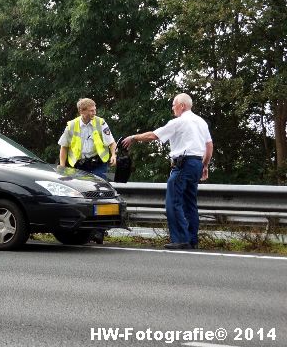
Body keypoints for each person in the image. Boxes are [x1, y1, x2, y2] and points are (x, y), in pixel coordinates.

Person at [121, 93, 213, 250]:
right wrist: (204, 166)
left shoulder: (179, 122)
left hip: (183, 164)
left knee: (173, 201)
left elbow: (153, 135)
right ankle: (192, 239)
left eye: (173, 105)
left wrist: (133, 137)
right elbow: (209, 146)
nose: (172, 108)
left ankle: (180, 239)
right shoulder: (201, 122)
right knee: (190, 203)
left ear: (182, 106)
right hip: (196, 163)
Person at [59, 98, 117, 179]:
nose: (94, 113)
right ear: (81, 111)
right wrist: (62, 166)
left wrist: (114, 155)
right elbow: (64, 147)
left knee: (99, 187)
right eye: (91, 111)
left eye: (95, 110)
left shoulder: (100, 122)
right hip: (79, 165)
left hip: (98, 164)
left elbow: (111, 142)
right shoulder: (71, 125)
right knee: (81, 189)